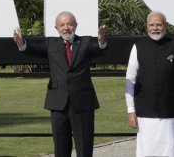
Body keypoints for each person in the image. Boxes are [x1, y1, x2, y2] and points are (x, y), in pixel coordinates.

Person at [13, 11, 108, 157]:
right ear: (56, 28)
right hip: (58, 103)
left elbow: (99, 49)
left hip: (82, 103)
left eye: (69, 24)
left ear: (76, 25)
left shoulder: (86, 42)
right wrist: (21, 43)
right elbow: (32, 49)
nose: (66, 28)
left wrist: (101, 41)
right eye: (62, 25)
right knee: (61, 147)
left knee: (84, 147)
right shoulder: (51, 44)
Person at [124, 11, 174, 157]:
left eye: (159, 25)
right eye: (151, 25)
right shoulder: (138, 47)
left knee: (171, 152)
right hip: (144, 114)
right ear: (147, 26)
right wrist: (131, 110)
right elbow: (130, 80)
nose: (155, 28)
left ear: (166, 26)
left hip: (171, 114)